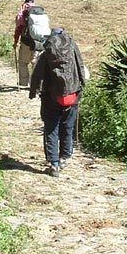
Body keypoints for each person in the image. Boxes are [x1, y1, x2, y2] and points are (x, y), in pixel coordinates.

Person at [29, 27, 87, 177]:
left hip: (51, 96)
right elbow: (80, 65)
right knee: (67, 127)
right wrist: (82, 85)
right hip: (73, 94)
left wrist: (32, 92)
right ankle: (64, 158)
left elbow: (37, 73)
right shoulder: (72, 46)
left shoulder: (47, 51)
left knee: (51, 129)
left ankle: (54, 164)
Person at [13, 0, 36, 87]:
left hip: (26, 41)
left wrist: (15, 42)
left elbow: (18, 29)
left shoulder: (23, 11)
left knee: (23, 62)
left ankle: (24, 83)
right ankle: (36, 84)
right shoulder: (38, 11)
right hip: (38, 42)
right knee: (35, 63)